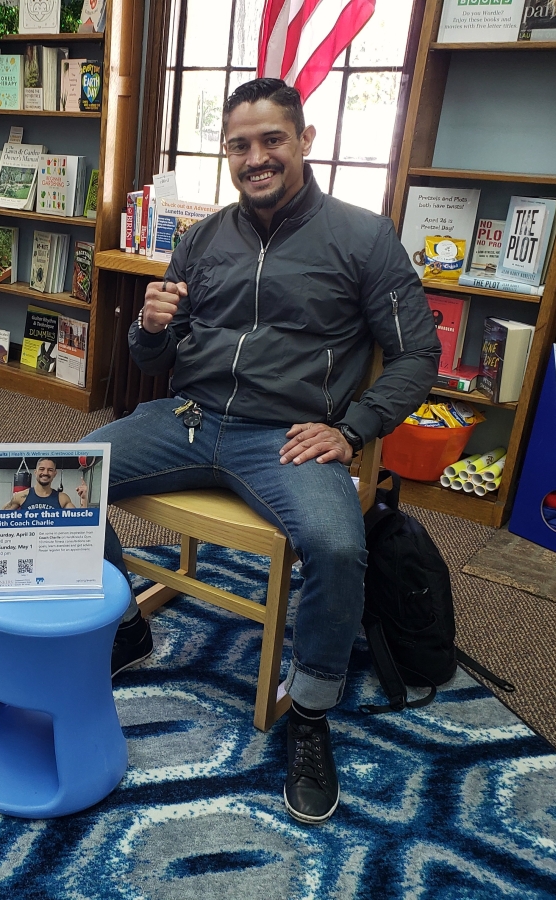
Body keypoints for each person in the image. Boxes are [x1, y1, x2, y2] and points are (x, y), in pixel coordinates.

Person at [85, 78, 439, 825]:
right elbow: (154, 357)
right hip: (187, 417)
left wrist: (352, 429)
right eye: (240, 145)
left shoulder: (364, 238)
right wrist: (148, 326)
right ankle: (127, 627)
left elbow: (417, 356)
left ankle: (309, 713)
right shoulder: (202, 237)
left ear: (304, 140)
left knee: (339, 549)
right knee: (65, 479)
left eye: (272, 139)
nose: (256, 158)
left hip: (288, 439)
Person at [2, 458, 87, 511]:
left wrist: (84, 499)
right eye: (42, 469)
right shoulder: (21, 496)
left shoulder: (62, 498)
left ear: (55, 473)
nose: (45, 473)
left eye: (50, 470)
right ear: (35, 472)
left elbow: (79, 521)